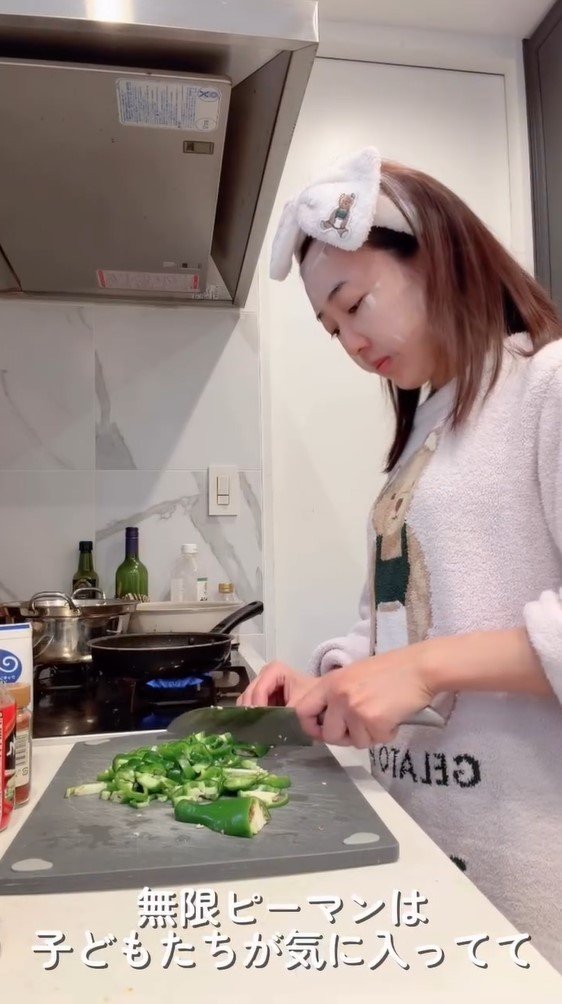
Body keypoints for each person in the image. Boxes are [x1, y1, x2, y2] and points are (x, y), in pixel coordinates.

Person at [238, 147, 562, 972]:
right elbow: (398, 617)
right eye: (331, 329)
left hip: (532, 860)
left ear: (436, 254)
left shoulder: (548, 386)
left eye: (355, 304)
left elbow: (423, 656)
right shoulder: (425, 429)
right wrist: (331, 681)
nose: (350, 342)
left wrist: (423, 669)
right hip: (424, 835)